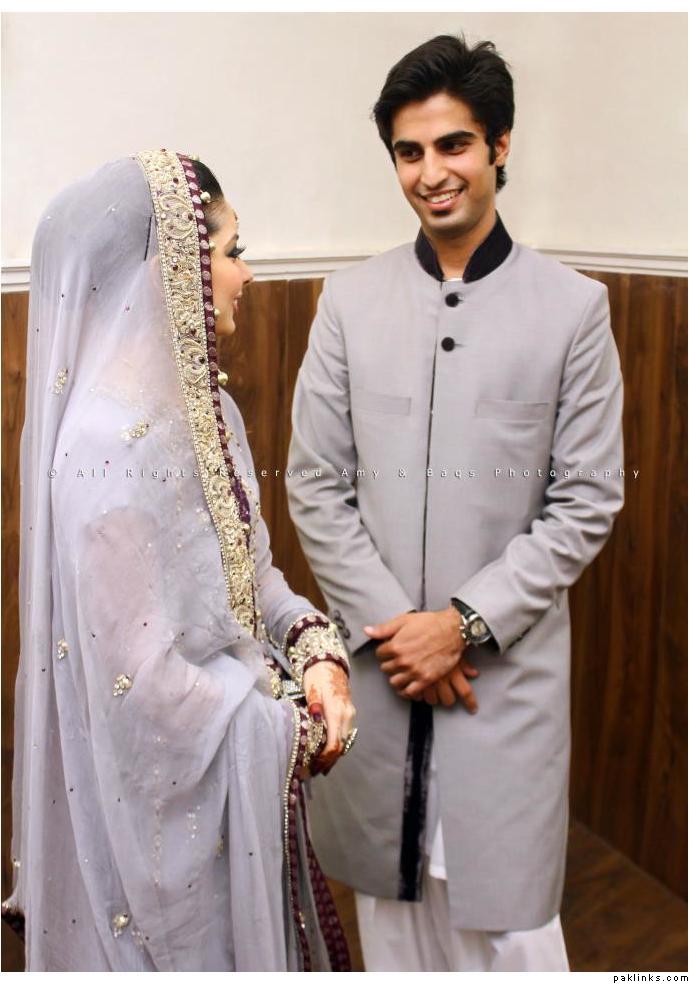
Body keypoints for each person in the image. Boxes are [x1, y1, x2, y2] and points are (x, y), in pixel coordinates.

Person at [286, 34, 625, 972]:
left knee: (514, 939)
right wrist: (404, 635)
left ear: (499, 146)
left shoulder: (573, 308)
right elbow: (314, 483)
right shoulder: (347, 302)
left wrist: (462, 627)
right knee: (392, 927)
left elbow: (585, 500)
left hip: (502, 689)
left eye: (453, 145)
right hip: (384, 677)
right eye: (409, 152)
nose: (430, 173)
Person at [2, 149, 356, 972]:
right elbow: (149, 695)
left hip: (231, 803)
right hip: (166, 836)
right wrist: (291, 729)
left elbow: (247, 577)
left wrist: (312, 646)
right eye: (231, 251)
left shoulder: (205, 410)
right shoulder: (106, 454)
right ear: (169, 272)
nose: (246, 275)